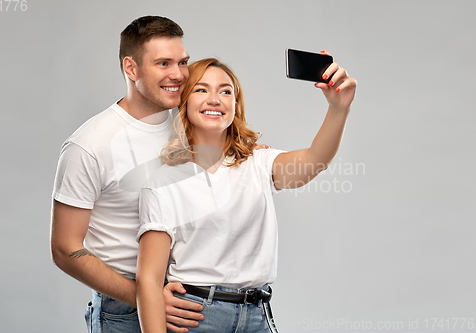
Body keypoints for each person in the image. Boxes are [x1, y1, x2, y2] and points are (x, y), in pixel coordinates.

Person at [136, 57, 357, 332]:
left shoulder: (258, 162)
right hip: (196, 317)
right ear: (183, 102)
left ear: (235, 106)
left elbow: (314, 161)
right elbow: (148, 278)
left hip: (257, 316)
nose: (215, 99)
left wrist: (338, 109)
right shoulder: (163, 181)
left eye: (226, 91)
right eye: (201, 89)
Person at [50, 16, 205, 333]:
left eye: (183, 62)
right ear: (131, 69)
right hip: (125, 309)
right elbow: (66, 249)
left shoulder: (190, 123)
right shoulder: (89, 145)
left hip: (190, 297)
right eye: (163, 63)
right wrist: (144, 297)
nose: (178, 74)